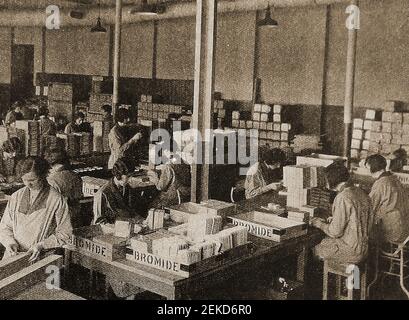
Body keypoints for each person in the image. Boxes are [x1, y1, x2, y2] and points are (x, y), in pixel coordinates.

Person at [0, 157, 72, 261]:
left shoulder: (56, 199)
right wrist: (10, 242)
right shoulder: (16, 196)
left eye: (32, 180)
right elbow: (5, 226)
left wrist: (41, 245)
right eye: (24, 180)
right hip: (14, 255)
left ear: (43, 175)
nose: (28, 184)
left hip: (41, 255)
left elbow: (65, 233)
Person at [310, 163, 372, 264]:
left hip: (350, 250)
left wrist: (319, 224)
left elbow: (335, 232)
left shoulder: (343, 197)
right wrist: (335, 219)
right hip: (364, 247)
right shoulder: (361, 192)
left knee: (314, 249)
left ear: (331, 179)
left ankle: (326, 278)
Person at [365, 154, 409, 243]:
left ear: (371, 168)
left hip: (392, 232)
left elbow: (369, 206)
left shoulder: (381, 183)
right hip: (405, 230)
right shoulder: (395, 179)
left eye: (367, 168)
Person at [93, 158, 144, 225]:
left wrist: (141, 220)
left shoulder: (127, 188)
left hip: (126, 227)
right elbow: (99, 222)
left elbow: (130, 211)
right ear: (118, 175)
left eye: (131, 176)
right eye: (128, 176)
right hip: (111, 230)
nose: (130, 179)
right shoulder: (102, 193)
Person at [44, 148, 84, 229]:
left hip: (60, 220)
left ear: (53, 165)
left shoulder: (52, 181)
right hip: (76, 217)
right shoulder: (76, 176)